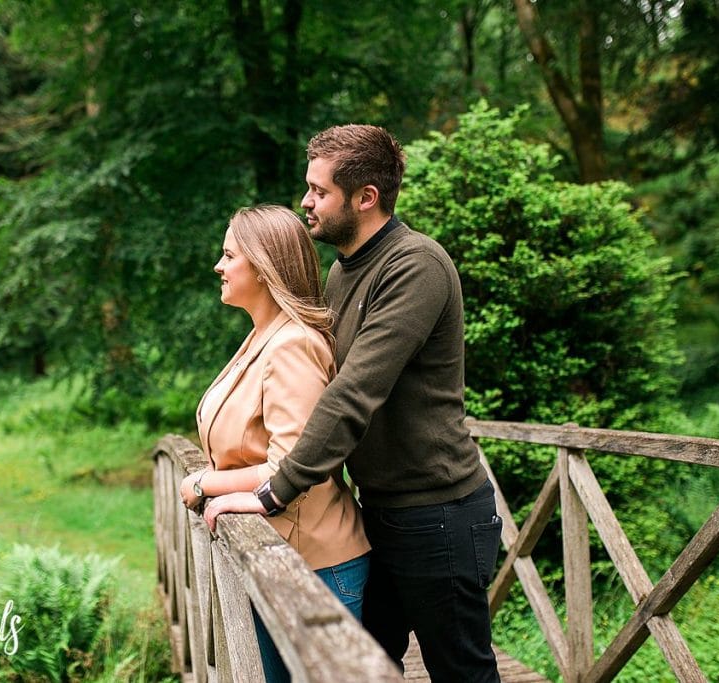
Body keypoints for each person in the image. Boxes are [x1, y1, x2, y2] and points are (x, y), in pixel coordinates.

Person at [203, 125, 503, 682]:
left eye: (319, 192)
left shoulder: (416, 265)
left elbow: (354, 392)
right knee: (357, 667)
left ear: (365, 197)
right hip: (379, 514)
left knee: (462, 672)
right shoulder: (343, 273)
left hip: (438, 514)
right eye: (308, 188)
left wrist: (273, 490)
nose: (306, 202)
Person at [179, 204, 370, 683]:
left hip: (315, 567)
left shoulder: (292, 346)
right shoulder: (264, 335)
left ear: (263, 269)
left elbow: (291, 466)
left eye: (228, 256)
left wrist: (207, 482)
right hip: (278, 557)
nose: (218, 267)